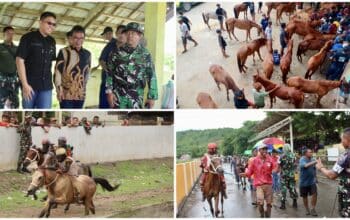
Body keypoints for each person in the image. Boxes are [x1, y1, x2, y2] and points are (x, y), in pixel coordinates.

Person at [106, 22, 158, 109]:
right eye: (128, 33)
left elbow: (151, 75)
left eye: (133, 33)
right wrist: (109, 92)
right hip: (119, 94)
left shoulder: (145, 54)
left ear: (140, 36)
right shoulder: (115, 53)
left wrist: (152, 97)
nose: (130, 35)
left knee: (134, 118)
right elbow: (109, 73)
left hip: (137, 95)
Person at [16, 12, 57, 109]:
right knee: (27, 113)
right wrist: (25, 85)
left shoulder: (52, 41)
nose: (52, 26)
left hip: (46, 86)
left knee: (45, 112)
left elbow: (51, 63)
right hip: (30, 86)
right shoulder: (28, 38)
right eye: (49, 23)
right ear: (40, 22)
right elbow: (19, 60)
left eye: (54, 24)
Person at [54, 25, 91, 109]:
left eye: (81, 38)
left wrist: (84, 89)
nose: (78, 41)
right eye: (76, 38)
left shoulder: (88, 54)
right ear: (71, 38)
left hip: (80, 94)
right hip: (65, 94)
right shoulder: (63, 52)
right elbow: (57, 72)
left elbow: (87, 73)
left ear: (84, 38)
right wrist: (58, 90)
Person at [316, 127, 350, 217]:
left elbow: (331, 175)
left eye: (342, 139)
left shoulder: (346, 155)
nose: (341, 142)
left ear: (347, 139)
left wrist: (321, 167)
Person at [95, 25, 127, 109]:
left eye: (124, 33)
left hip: (121, 85)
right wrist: (108, 70)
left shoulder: (129, 48)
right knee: (105, 105)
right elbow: (101, 60)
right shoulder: (110, 46)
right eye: (119, 33)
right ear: (116, 34)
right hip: (107, 81)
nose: (121, 35)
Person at [242, 143, 277, 217]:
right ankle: (262, 215)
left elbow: (275, 167)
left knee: (269, 203)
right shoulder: (254, 160)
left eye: (266, 149)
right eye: (263, 149)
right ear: (259, 150)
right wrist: (245, 174)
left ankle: (268, 216)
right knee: (260, 203)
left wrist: (275, 170)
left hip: (269, 184)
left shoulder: (270, 159)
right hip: (259, 185)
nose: (265, 151)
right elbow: (249, 172)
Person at [0, 26, 19, 109]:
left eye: (12, 34)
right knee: (1, 101)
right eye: (8, 33)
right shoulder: (0, 47)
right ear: (3, 34)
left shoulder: (17, 48)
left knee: (14, 102)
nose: (10, 35)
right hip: (2, 79)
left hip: (14, 79)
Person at [299, 148, 318, 216]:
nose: (311, 153)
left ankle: (313, 208)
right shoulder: (302, 159)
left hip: (312, 181)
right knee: (305, 197)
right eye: (310, 152)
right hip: (303, 183)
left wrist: (316, 178)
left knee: (315, 194)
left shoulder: (312, 159)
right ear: (305, 153)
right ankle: (307, 209)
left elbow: (314, 169)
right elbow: (305, 165)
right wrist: (315, 161)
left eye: (311, 152)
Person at [279, 143, 298, 210]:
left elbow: (279, 166)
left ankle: (283, 204)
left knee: (283, 189)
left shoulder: (281, 156)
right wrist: (296, 174)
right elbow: (295, 165)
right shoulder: (294, 155)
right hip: (292, 175)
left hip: (284, 175)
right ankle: (295, 202)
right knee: (292, 188)